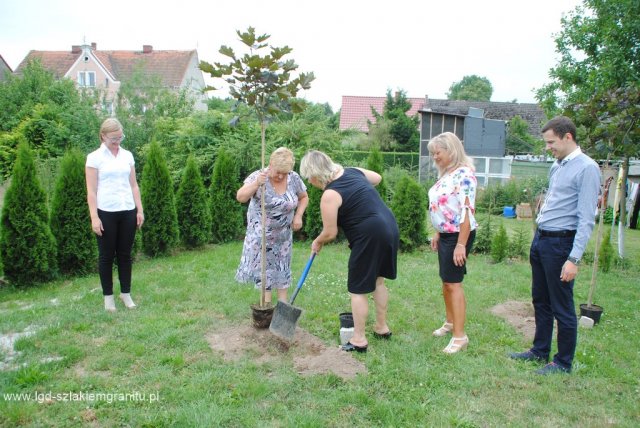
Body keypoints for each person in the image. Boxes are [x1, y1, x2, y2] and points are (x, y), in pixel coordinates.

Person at [510, 116, 601, 375]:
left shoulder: (587, 168)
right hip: (542, 240)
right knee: (541, 300)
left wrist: (573, 258)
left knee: (562, 306)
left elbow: (586, 219)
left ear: (567, 136)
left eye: (551, 142)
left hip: (562, 244)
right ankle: (539, 351)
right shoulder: (558, 165)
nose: (548, 147)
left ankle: (562, 362)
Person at [300, 150, 399, 353]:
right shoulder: (352, 172)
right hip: (388, 226)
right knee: (378, 281)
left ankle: (359, 340)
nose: (310, 182)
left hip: (370, 234)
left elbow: (330, 233)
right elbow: (377, 178)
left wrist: (317, 241)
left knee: (358, 290)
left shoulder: (330, 195)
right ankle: (382, 328)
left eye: (309, 177)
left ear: (316, 174)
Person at [235, 147, 309, 303]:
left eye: (285, 172)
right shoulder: (258, 176)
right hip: (261, 236)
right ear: (270, 164)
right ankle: (266, 307)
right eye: (278, 172)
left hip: (283, 236)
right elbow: (241, 197)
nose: (281, 176)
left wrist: (298, 215)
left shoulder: (293, 178)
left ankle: (283, 305)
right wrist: (256, 184)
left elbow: (303, 197)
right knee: (265, 271)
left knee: (283, 268)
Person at [86, 118, 144, 312]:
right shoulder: (94, 158)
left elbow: (134, 185)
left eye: (120, 137)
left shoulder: (127, 155)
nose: (117, 141)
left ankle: (125, 294)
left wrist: (139, 209)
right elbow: (92, 191)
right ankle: (108, 298)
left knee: (125, 255)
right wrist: (94, 217)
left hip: (127, 210)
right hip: (106, 212)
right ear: (103, 136)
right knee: (106, 256)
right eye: (113, 138)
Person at [427, 132, 477, 354]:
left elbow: (466, 212)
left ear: (452, 151)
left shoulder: (464, 175)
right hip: (447, 234)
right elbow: (446, 207)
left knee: (453, 284)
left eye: (438, 152)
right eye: (433, 153)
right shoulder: (448, 174)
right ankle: (450, 322)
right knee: (446, 281)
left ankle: (460, 336)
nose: (435, 156)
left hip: (459, 236)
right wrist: (438, 232)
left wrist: (461, 245)